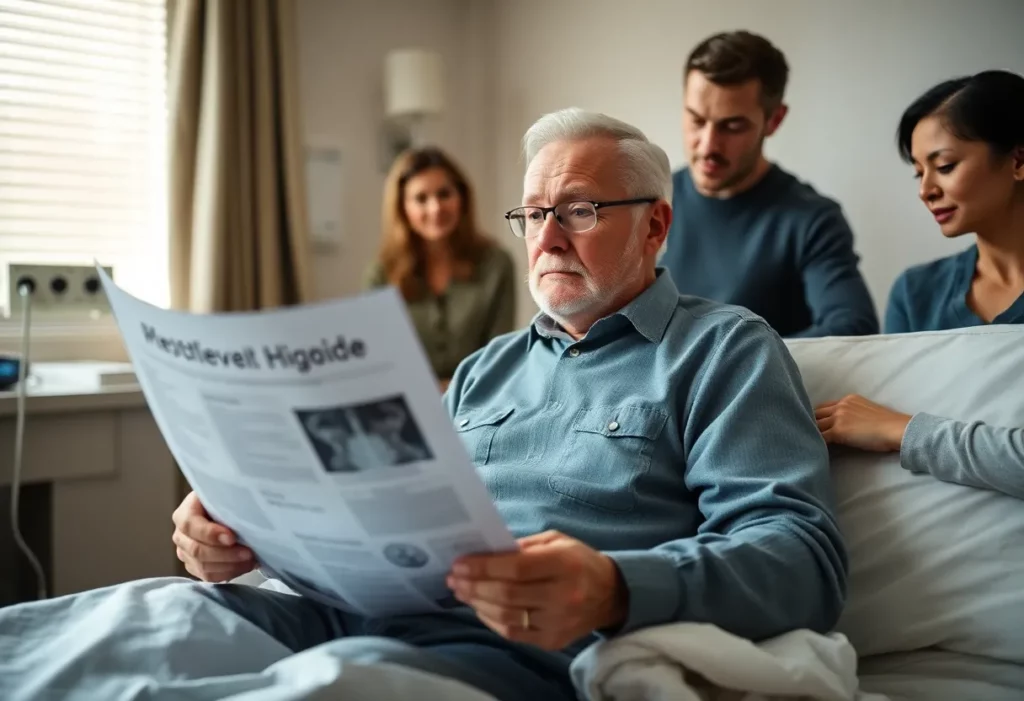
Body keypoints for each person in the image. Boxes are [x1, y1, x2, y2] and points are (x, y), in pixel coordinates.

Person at [166, 109, 847, 701]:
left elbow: (802, 558)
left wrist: (616, 585)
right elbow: (379, 507)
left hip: (508, 654)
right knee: (142, 621)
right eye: (532, 214)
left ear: (654, 224)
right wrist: (247, 528)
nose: (546, 238)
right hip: (337, 614)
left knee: (339, 684)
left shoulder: (724, 348)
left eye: (579, 210)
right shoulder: (483, 369)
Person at [815, 70, 1024, 500]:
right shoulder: (915, 293)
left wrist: (901, 429)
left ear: (1018, 160)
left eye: (945, 166)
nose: (926, 190)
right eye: (918, 172)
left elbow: (891, 427)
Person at [660, 30, 878, 338]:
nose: (708, 145)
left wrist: (733, 360)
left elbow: (853, 329)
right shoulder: (646, 201)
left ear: (774, 120)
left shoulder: (811, 220)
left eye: (732, 126)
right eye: (696, 120)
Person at [366, 147, 517, 389]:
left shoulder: (496, 265)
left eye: (444, 194)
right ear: (402, 208)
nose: (435, 208)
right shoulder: (381, 274)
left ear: (462, 198)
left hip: (478, 403)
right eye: (421, 198)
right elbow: (379, 363)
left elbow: (498, 359)